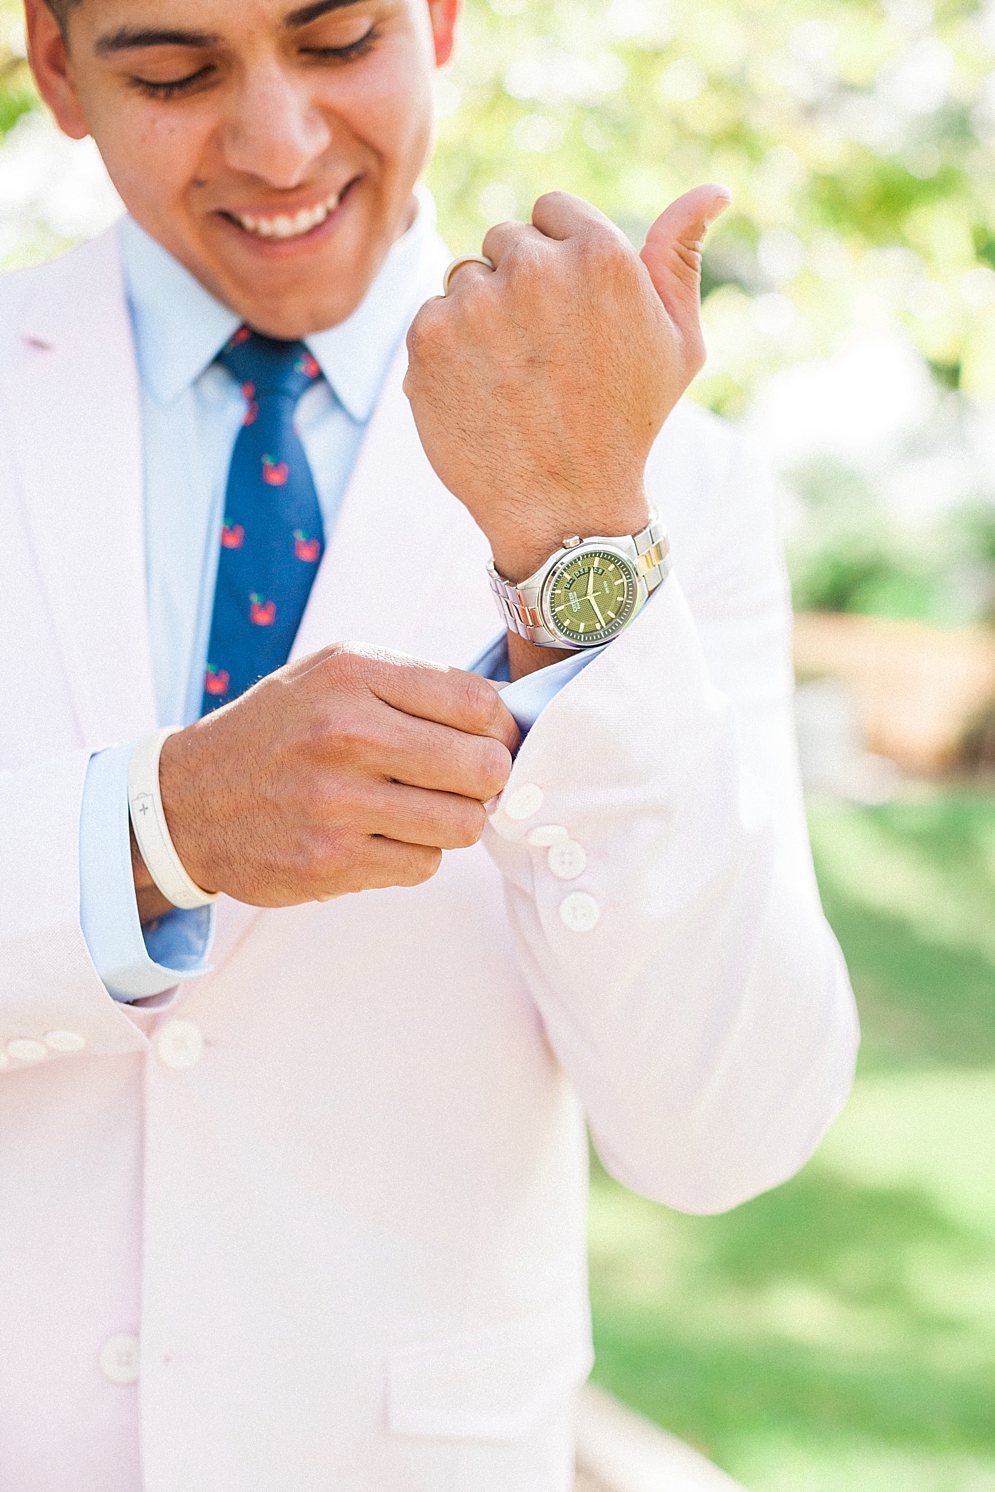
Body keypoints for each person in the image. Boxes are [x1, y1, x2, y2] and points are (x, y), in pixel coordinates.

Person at [0, 0, 858, 1485]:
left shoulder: (680, 486)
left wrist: (580, 547)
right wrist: (153, 830)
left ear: (440, 20)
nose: (278, 143)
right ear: (59, 70)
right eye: (174, 69)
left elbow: (724, 1131)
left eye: (335, 43)